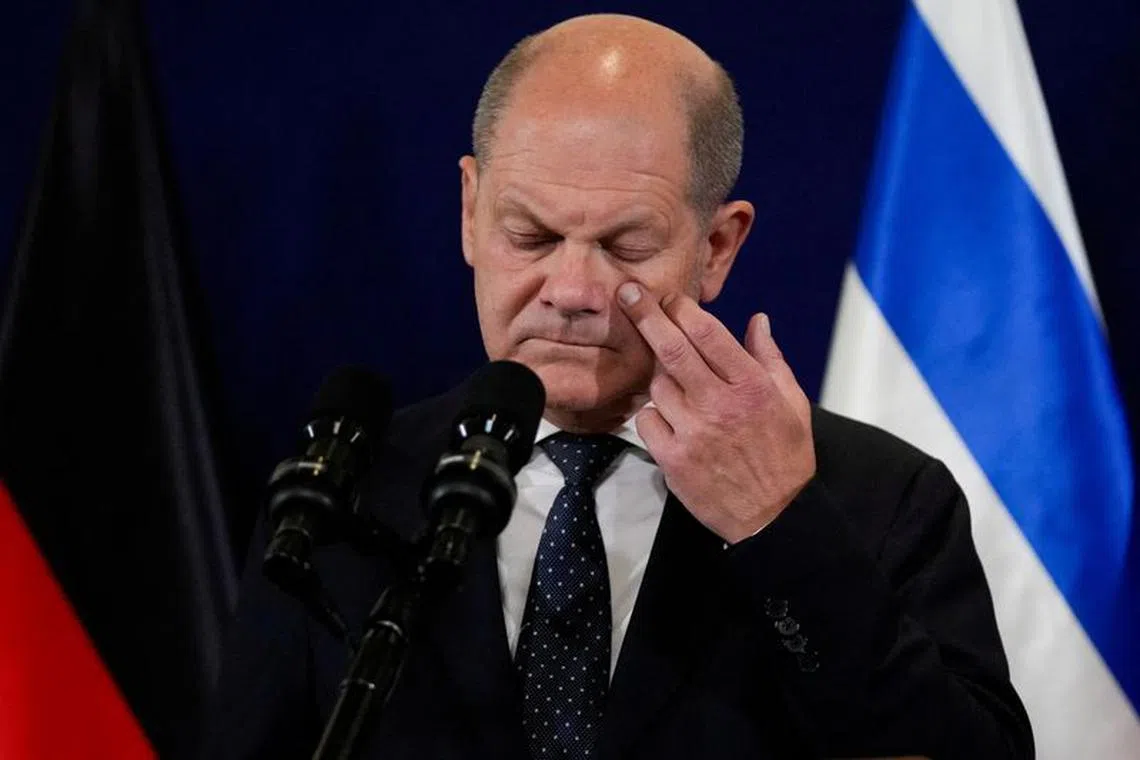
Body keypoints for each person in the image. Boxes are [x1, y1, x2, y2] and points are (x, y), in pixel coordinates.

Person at [202, 13, 1033, 759]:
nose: (571, 290)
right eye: (529, 234)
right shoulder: (347, 496)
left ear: (717, 246)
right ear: (469, 211)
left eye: (626, 246)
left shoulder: (877, 500)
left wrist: (778, 530)